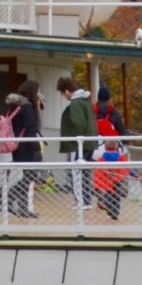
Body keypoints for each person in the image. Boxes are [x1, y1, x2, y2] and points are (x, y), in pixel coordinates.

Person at [56, 75, 98, 207]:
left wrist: (72, 137)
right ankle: (86, 200)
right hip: (90, 142)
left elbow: (78, 124)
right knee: (85, 172)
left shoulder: (76, 103)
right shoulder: (86, 101)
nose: (64, 97)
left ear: (67, 91)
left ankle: (80, 201)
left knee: (76, 172)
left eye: (63, 94)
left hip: (79, 144)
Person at [4, 83, 43, 218]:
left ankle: (21, 206)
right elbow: (31, 129)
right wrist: (37, 147)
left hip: (17, 146)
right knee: (30, 177)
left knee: (26, 177)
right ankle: (10, 198)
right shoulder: (27, 107)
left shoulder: (14, 106)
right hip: (27, 147)